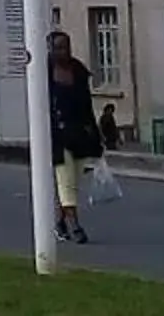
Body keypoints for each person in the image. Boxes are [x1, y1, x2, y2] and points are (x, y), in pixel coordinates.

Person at [46, 29, 101, 245]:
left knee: (73, 182)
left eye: (66, 46)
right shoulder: (44, 72)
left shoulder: (78, 70)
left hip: (78, 133)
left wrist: (95, 137)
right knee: (65, 180)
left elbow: (87, 106)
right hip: (56, 135)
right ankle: (74, 225)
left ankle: (60, 222)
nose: (63, 51)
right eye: (58, 47)